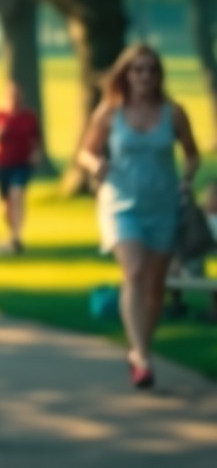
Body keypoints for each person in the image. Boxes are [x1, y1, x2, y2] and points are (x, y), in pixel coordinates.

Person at [78, 44, 200, 389]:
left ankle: (139, 350)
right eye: (138, 70)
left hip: (163, 205)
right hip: (120, 202)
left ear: (159, 75)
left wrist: (187, 179)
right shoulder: (109, 112)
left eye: (151, 70)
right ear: (126, 74)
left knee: (155, 287)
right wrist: (96, 163)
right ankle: (144, 359)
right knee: (133, 271)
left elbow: (191, 155)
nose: (145, 76)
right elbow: (85, 152)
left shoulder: (174, 113)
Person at [0, 82, 41, 255]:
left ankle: (17, 236)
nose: (14, 100)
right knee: (5, 204)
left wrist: (36, 154)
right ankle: (12, 230)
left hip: (22, 164)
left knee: (17, 195)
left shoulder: (29, 117)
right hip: (1, 164)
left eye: (17, 97)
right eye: (11, 97)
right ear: (6, 98)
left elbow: (37, 140)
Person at [165, 180, 217, 320]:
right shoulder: (202, 217)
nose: (207, 199)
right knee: (173, 271)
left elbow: (201, 242)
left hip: (191, 258)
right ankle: (176, 304)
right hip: (189, 257)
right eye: (208, 195)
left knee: (178, 269)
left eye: (211, 196)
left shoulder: (211, 221)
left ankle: (213, 310)